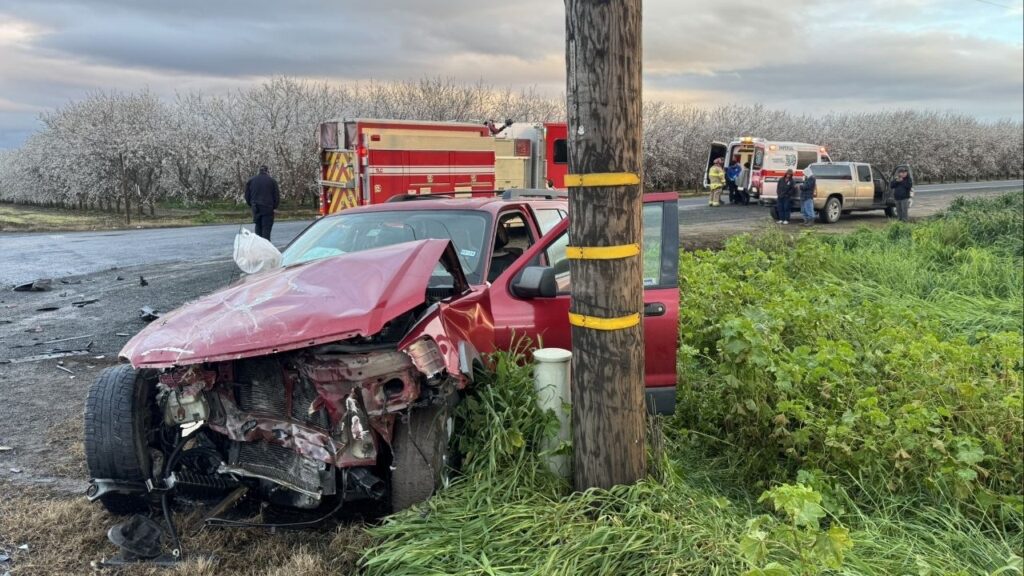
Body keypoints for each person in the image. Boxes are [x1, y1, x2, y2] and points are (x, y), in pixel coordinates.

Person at [245, 165, 280, 240]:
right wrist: (274, 206)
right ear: (267, 171)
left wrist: (251, 204)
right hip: (268, 208)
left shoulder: (251, 180)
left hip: (256, 208)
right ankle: (265, 247)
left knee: (258, 228)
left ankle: (258, 246)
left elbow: (247, 195)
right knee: (266, 231)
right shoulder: (272, 181)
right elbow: (276, 196)